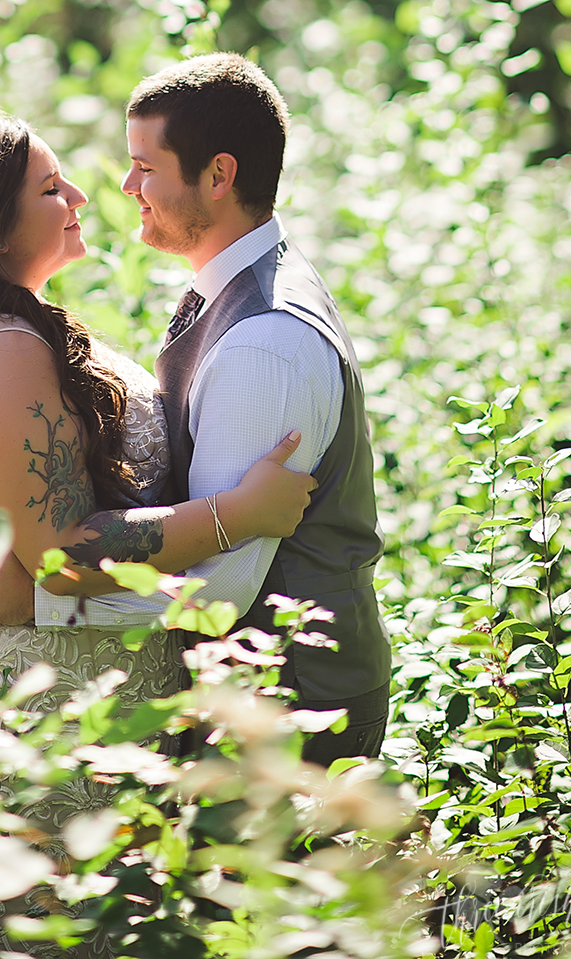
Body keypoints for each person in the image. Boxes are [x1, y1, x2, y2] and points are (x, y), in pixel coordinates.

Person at [0, 113, 317, 724]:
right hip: (28, 701)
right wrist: (240, 514)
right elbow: (58, 557)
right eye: (52, 188)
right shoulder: (2, 352)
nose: (81, 196)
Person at [22, 54, 393, 764]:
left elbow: (221, 583)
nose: (126, 186)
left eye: (145, 167)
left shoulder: (263, 341)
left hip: (292, 710)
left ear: (218, 175)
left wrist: (40, 607)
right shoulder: (235, 288)